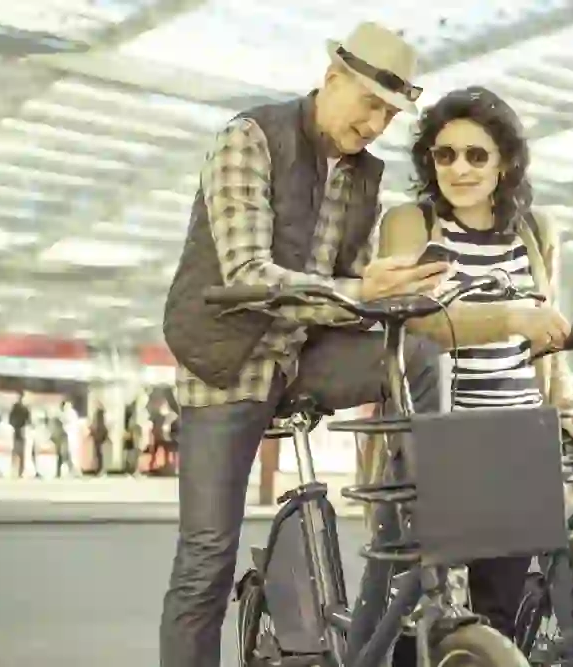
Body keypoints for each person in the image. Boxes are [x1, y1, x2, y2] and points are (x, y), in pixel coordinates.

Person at [158, 22, 458, 667]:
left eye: (389, 113)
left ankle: (416, 523)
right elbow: (246, 275)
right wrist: (357, 291)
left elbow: (346, 289)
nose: (377, 124)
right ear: (331, 80)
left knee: (422, 353)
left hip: (302, 356)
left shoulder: (364, 175)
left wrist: (387, 291)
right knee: (206, 556)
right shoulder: (250, 139)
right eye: (370, 104)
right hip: (224, 365)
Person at [376, 85, 573, 653]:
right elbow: (425, 321)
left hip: (516, 440)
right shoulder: (411, 224)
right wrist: (512, 316)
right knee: (415, 615)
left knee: (502, 615)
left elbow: (549, 336)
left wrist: (566, 408)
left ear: (505, 163)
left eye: (476, 155)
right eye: (445, 155)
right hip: (433, 444)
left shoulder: (536, 232)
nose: (459, 169)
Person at [8, 392, 33, 478]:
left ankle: (18, 471)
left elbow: (29, 420)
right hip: (19, 430)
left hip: (20, 431)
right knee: (17, 451)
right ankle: (16, 471)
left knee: (20, 452)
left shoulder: (23, 408)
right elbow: (11, 419)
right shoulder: (20, 408)